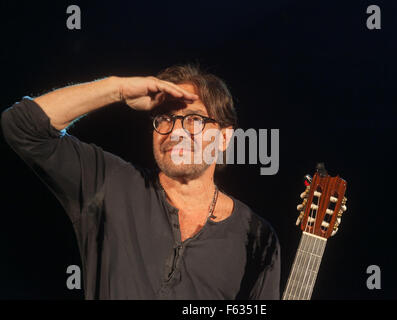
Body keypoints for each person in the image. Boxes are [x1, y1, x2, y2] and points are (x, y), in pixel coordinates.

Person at [1, 64, 280, 300]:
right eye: (165, 118)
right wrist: (117, 89)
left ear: (224, 137)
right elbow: (22, 127)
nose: (176, 132)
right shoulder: (110, 183)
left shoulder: (257, 235)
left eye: (194, 120)